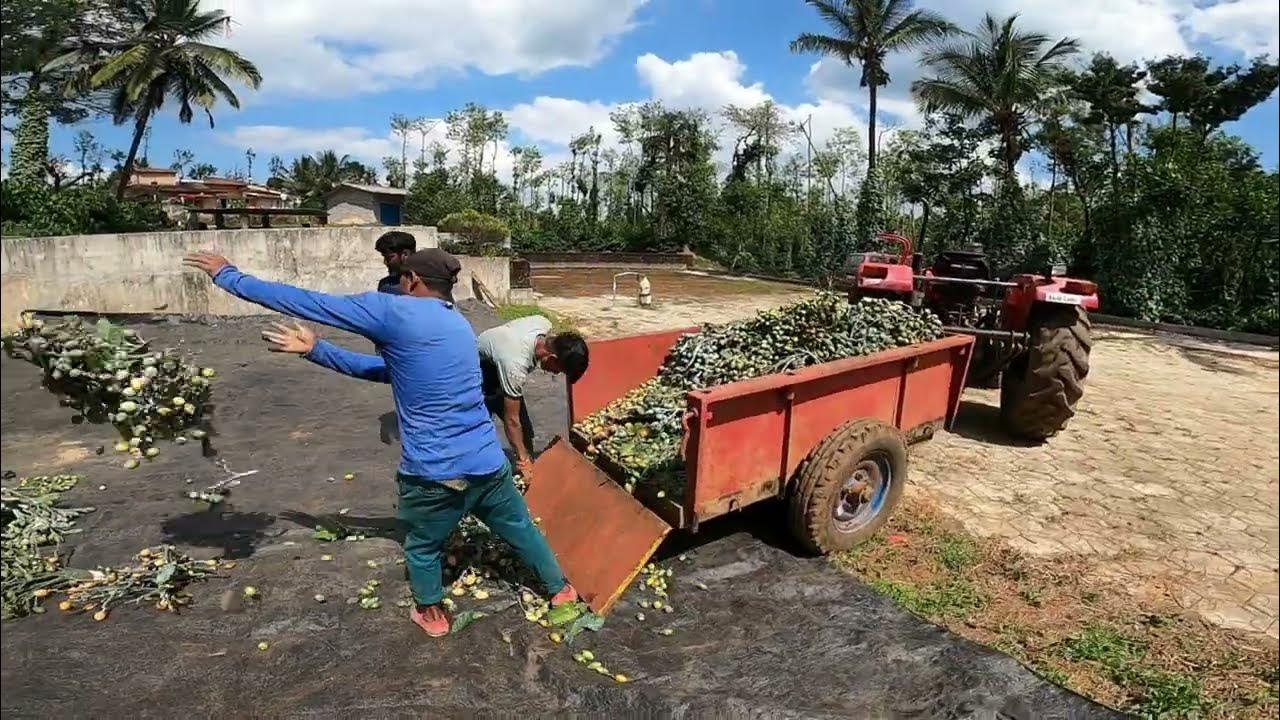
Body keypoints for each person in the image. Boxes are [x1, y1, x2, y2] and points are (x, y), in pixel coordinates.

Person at [182, 248, 577, 638]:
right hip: (488, 464)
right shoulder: (457, 325)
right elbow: (392, 372)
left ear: (413, 281)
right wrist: (318, 351)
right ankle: (561, 591)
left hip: (435, 473)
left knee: (423, 545)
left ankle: (431, 613)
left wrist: (228, 276)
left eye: (404, 279)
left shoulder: (394, 311)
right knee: (520, 528)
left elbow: (308, 302)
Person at [477, 316, 589, 481]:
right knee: (478, 434)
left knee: (526, 432)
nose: (556, 374)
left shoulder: (541, 323)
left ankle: (524, 476)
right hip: (478, 376)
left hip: (498, 366)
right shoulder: (515, 364)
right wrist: (523, 459)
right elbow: (512, 421)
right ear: (552, 358)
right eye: (559, 370)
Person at [374, 230, 416, 295]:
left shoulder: (427, 284)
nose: (385, 262)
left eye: (389, 257)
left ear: (405, 254)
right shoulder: (385, 285)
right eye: (384, 257)